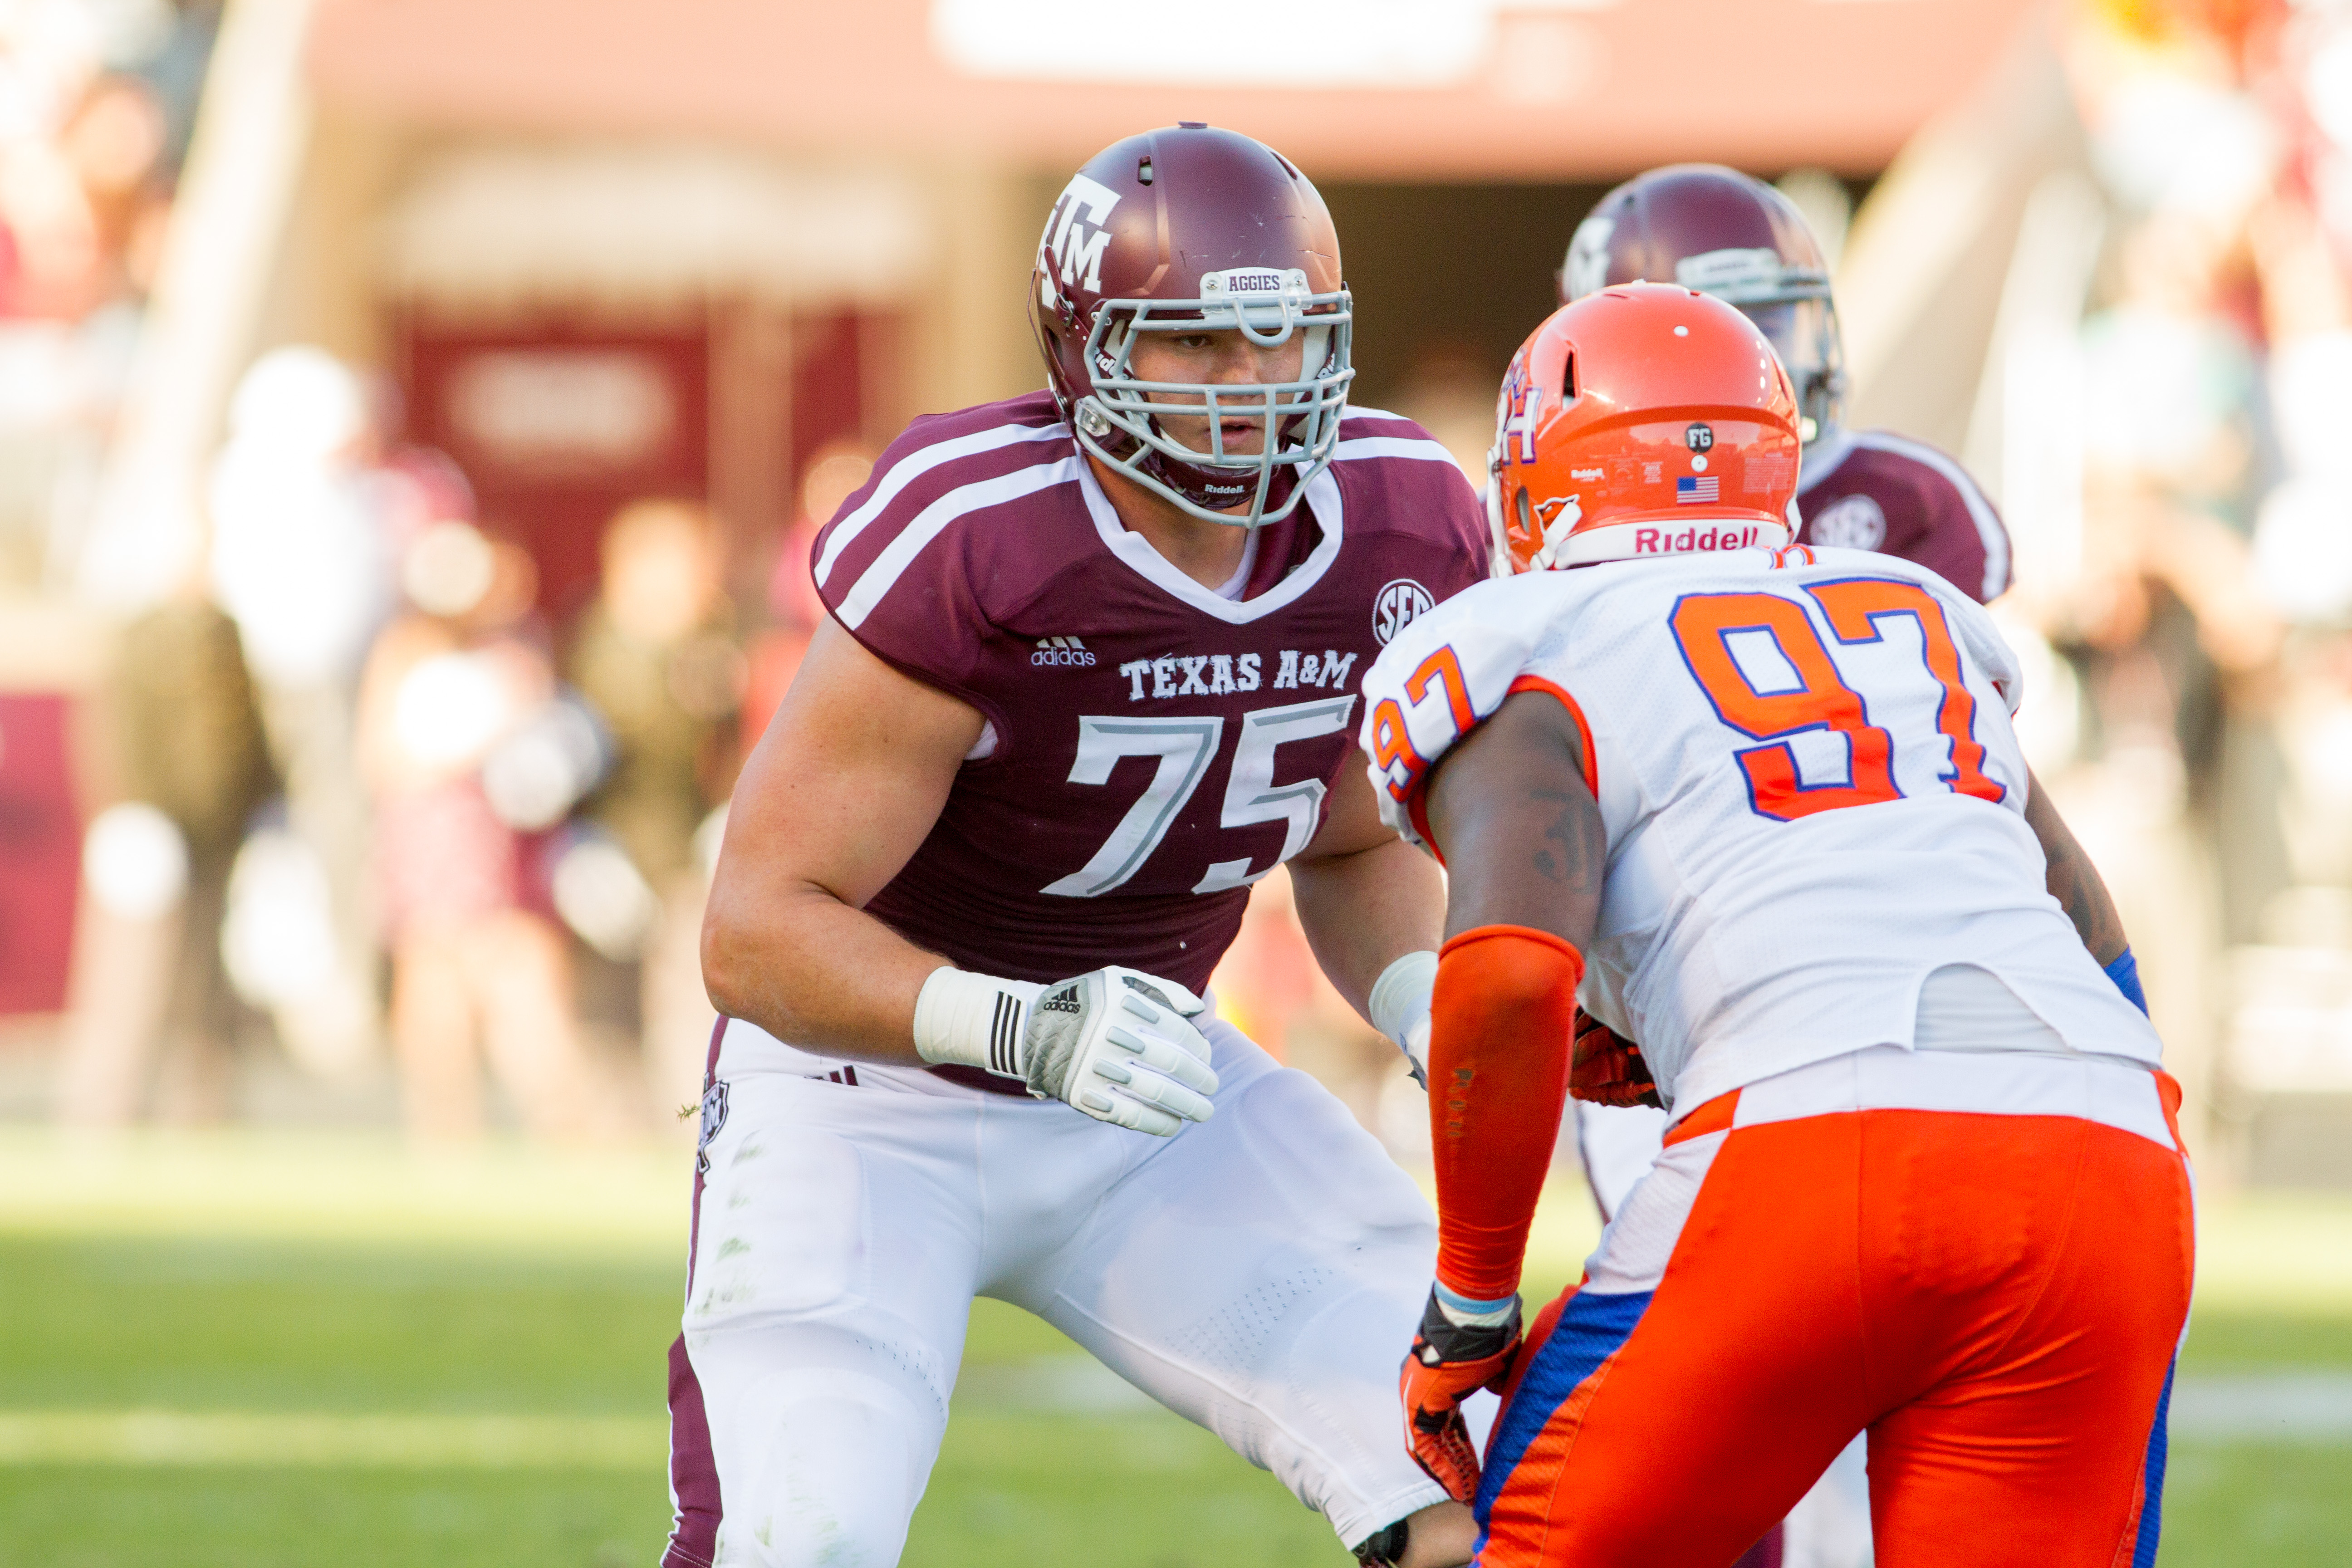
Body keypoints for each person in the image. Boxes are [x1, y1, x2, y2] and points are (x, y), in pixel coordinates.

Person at [666, 124, 1491, 1568]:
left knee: (1461, 1472)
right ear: (1087, 345)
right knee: (806, 1535)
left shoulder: (1399, 521)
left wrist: (1435, 997)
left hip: (1151, 1083)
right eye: (1197, 349)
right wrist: (1014, 1026)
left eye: (1282, 341)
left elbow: (1354, 848)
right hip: (872, 1089)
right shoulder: (985, 533)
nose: (1251, 391)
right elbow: (754, 926)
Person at [1363, 284, 2188, 1566]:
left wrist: (1471, 1296)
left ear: (1534, 487)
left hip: (1816, 1150)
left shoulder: (1533, 638)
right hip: (2106, 1150)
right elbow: (2084, 920)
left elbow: (1513, 974)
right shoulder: (1909, 614)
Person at [1556, 165, 2020, 1566]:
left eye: (1784, 323)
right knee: (1720, 1386)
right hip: (1666, 1002)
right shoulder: (1556, 524)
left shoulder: (1906, 500)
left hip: (1877, 979)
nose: (1771, 366)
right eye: (1723, 327)